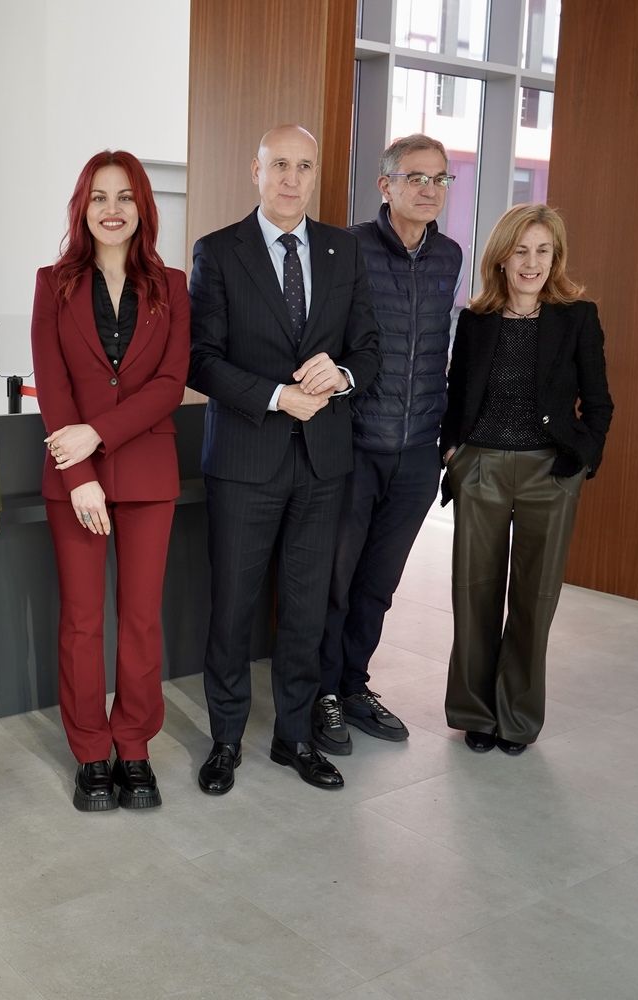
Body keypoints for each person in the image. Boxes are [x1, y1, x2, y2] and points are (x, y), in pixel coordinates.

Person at [187, 124, 380, 794]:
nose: (292, 179)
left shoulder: (343, 250)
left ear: (315, 173)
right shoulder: (217, 251)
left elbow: (370, 350)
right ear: (255, 170)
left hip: (324, 465)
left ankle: (294, 738)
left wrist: (343, 374)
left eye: (304, 166)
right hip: (245, 460)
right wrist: (275, 397)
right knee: (234, 608)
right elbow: (200, 360)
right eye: (279, 166)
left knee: (305, 610)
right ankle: (225, 741)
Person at [30, 151, 191, 812]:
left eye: (124, 196)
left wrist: (99, 435)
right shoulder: (53, 283)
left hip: (150, 474)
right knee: (81, 621)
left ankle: (134, 746)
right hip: (76, 480)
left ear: (142, 206)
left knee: (142, 620)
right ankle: (91, 752)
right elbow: (55, 384)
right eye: (99, 196)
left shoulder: (172, 285)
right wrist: (82, 474)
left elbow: (169, 385)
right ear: (83, 206)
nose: (112, 208)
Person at [440, 203, 613, 755]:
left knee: (535, 599)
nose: (531, 262)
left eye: (542, 250)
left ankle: (517, 717)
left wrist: (583, 460)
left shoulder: (578, 317)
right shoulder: (475, 320)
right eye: (521, 250)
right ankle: (475, 713)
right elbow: (456, 394)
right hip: (482, 467)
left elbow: (600, 402)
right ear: (502, 257)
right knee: (475, 595)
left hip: (550, 471)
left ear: (555, 257)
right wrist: (453, 453)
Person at [314, 134, 463, 755]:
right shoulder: (344, 248)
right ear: (387, 185)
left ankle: (354, 686)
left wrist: (448, 436)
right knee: (336, 580)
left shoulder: (450, 257)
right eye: (416, 177)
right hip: (353, 446)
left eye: (440, 179)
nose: (429, 190)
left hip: (418, 451)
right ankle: (321, 693)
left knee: (379, 583)